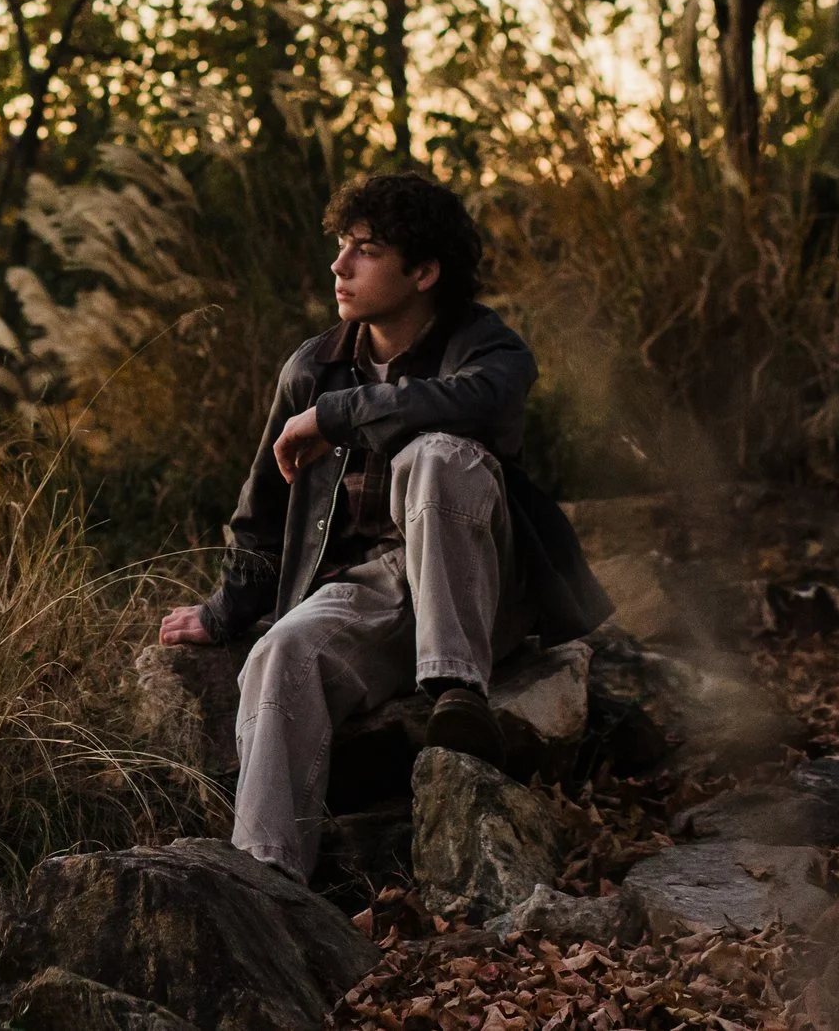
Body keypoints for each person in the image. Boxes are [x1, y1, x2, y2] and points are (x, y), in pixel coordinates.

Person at [158, 172, 611, 884]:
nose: (340, 265)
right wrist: (227, 609)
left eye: (365, 250)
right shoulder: (314, 366)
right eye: (343, 245)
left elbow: (478, 406)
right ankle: (269, 886)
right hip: (376, 583)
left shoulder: (490, 349)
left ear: (425, 271)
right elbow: (264, 509)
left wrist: (337, 417)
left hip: (478, 585)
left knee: (436, 457)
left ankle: (456, 690)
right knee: (279, 652)